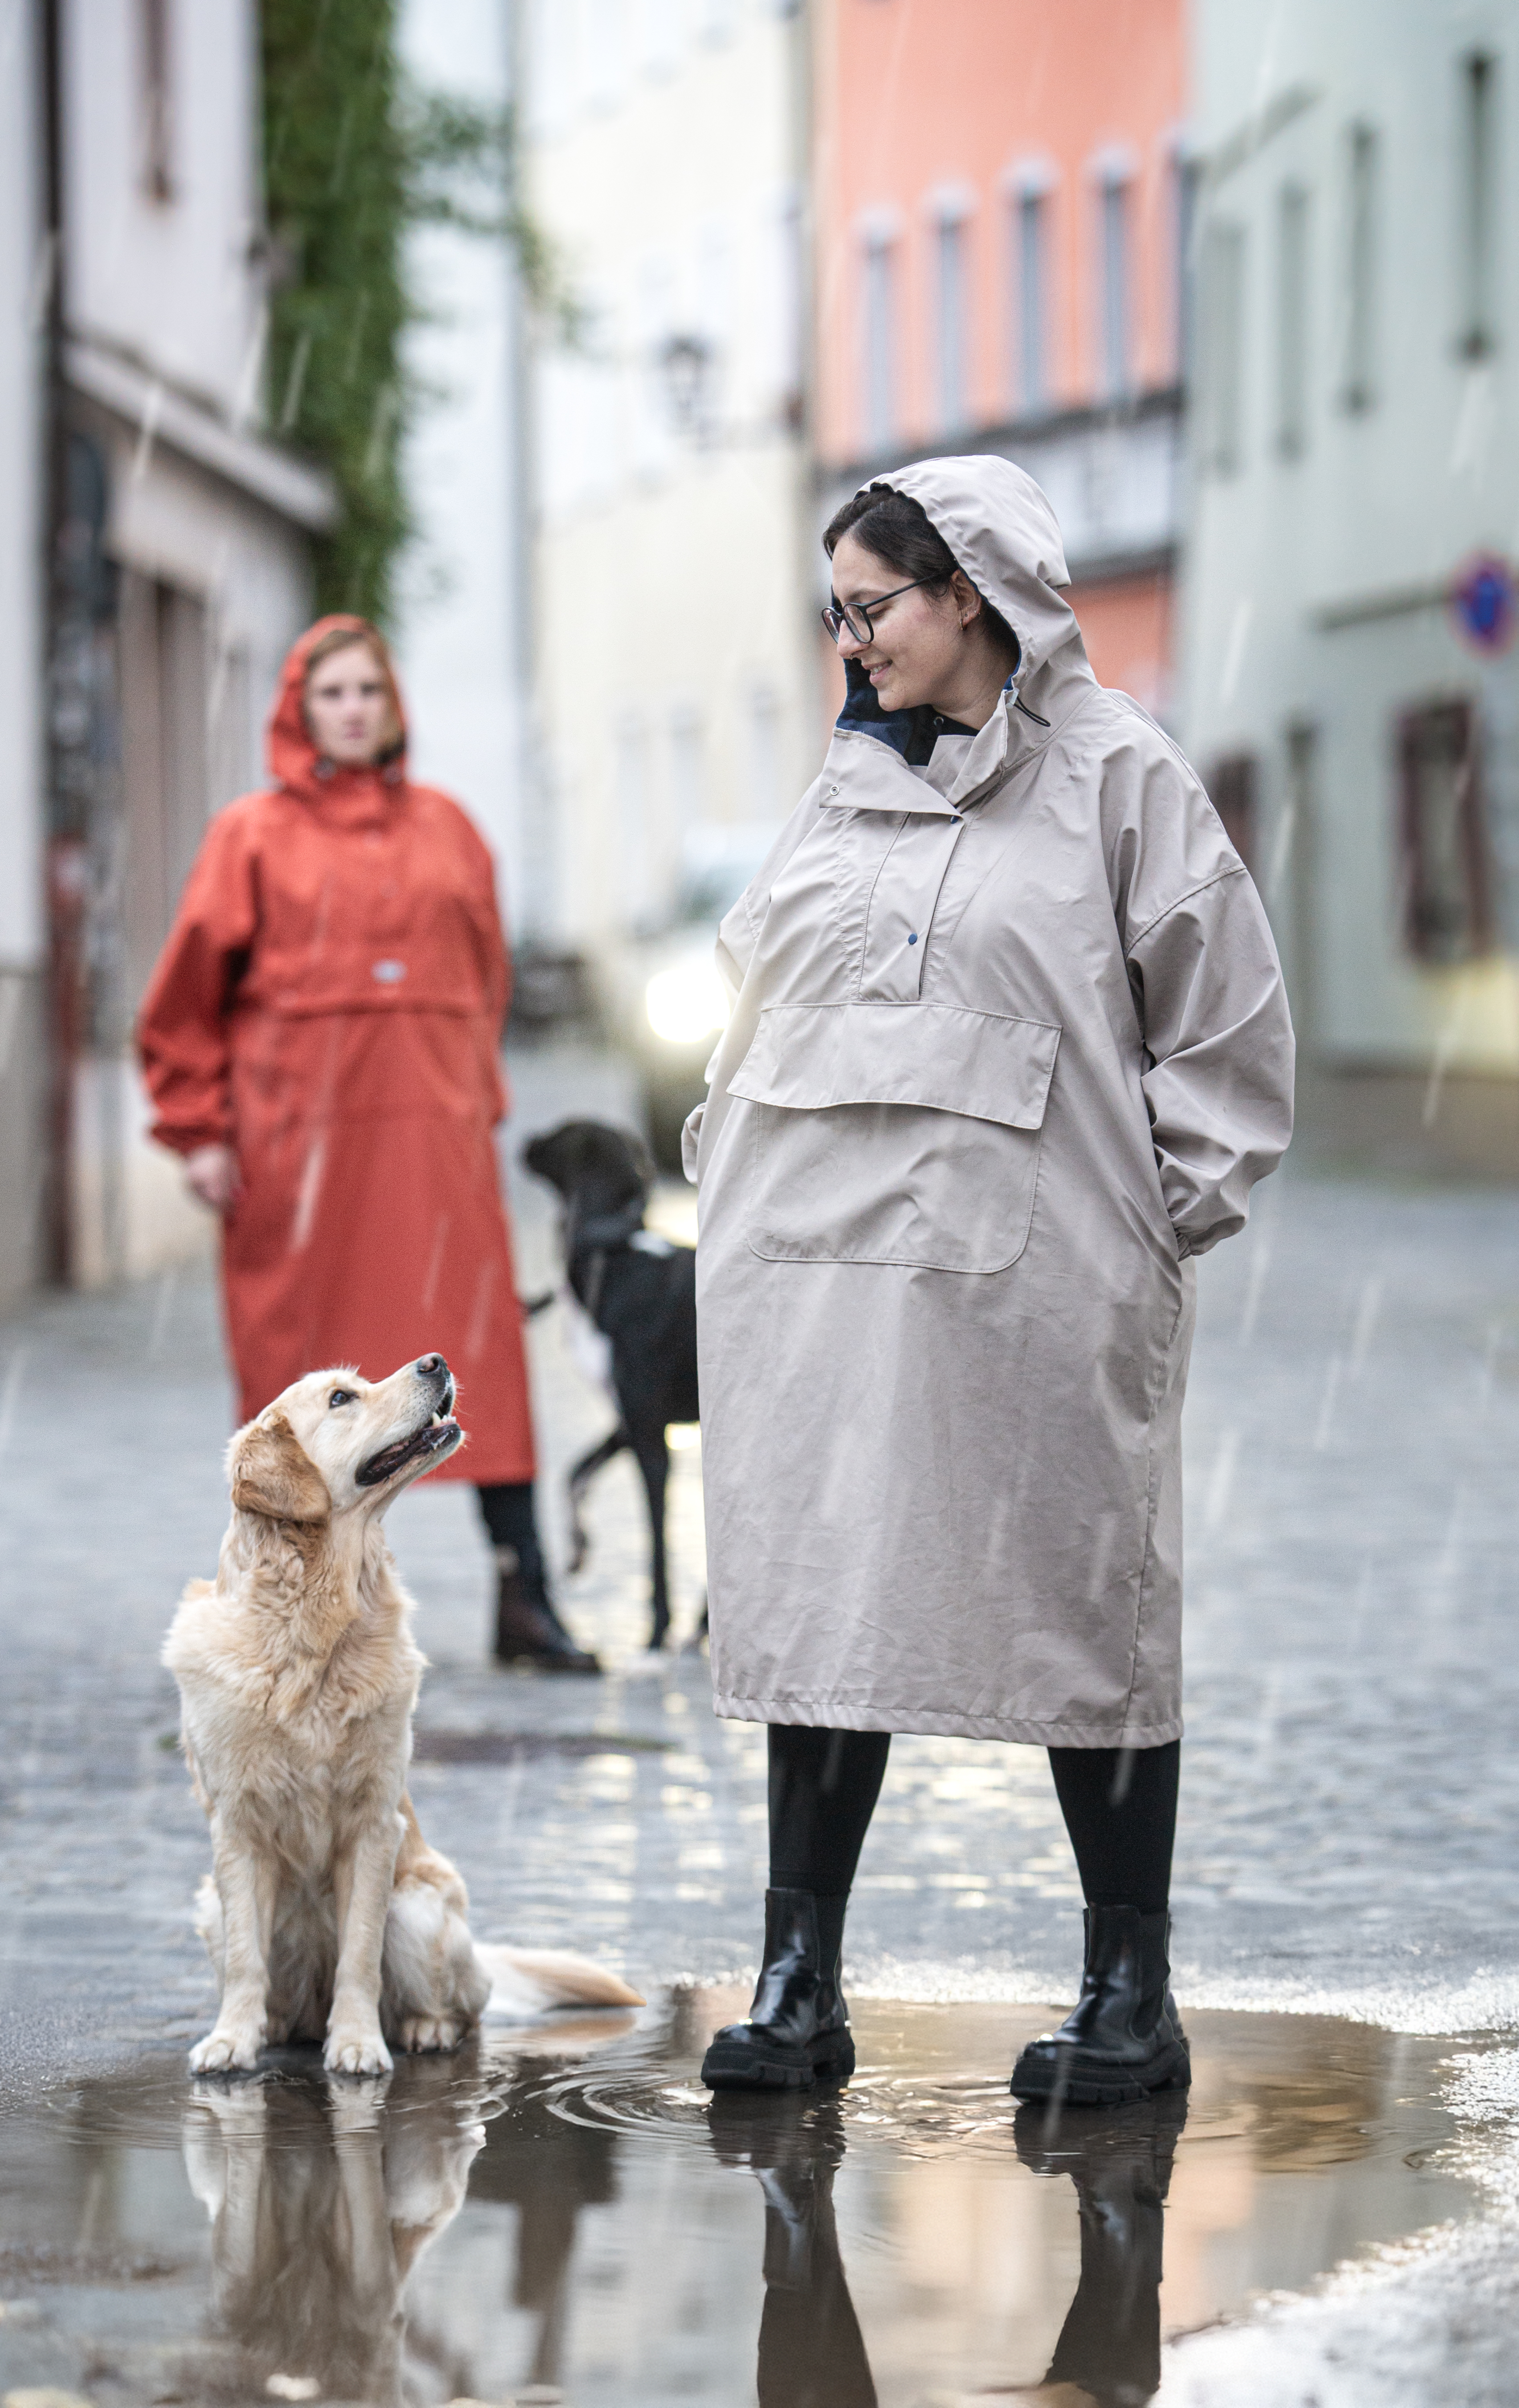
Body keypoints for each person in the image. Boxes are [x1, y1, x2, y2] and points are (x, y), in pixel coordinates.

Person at [686, 459, 1294, 2100]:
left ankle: (1123, 1990)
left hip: (1034, 1280)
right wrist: (724, 1166)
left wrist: (1141, 1224)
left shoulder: (1119, 781)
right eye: (837, 611)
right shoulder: (835, 790)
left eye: (870, 604)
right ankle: (795, 1978)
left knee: (1078, 1598)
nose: (850, 638)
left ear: (969, 592)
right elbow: (752, 992)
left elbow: (1227, 1025)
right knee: (827, 1591)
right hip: (820, 1282)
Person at [137, 614, 598, 1673]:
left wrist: (469, 1088)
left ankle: (523, 1595)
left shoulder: (449, 827)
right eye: (332, 693)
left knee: (472, 1356)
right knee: (304, 1393)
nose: (353, 711)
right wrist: (201, 1129)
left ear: (393, 708)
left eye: (369, 692)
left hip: (434, 1146)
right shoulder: (249, 836)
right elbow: (184, 1004)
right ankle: (284, 1614)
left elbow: (486, 979)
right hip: (301, 1158)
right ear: (300, 711)